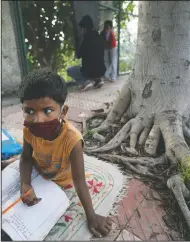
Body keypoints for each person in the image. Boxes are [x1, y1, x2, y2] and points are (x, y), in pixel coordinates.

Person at [18, 69, 112, 237]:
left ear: (63, 111)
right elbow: (25, 157)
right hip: (39, 173)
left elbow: (79, 181)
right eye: (29, 111)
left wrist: (91, 216)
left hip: (62, 181)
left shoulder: (72, 140)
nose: (37, 119)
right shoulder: (29, 131)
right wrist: (25, 183)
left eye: (47, 111)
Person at [67, 15, 105, 91]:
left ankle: (85, 82)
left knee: (70, 70)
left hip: (89, 71)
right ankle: (98, 80)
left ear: (84, 28)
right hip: (101, 70)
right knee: (94, 66)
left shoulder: (85, 38)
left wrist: (78, 45)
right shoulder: (99, 37)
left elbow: (78, 55)